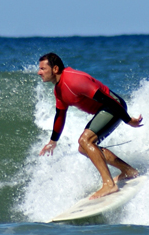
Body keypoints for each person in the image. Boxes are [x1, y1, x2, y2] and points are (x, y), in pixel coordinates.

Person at [37, 52, 143, 199]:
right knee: (83, 147)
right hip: (104, 109)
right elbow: (60, 115)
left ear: (55, 69)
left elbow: (108, 99)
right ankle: (128, 171)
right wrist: (53, 141)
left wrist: (128, 120)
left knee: (85, 140)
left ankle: (109, 184)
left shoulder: (73, 80)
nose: (39, 72)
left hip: (113, 106)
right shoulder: (59, 90)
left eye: (43, 69)